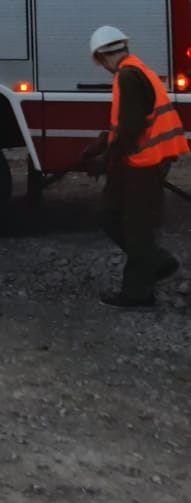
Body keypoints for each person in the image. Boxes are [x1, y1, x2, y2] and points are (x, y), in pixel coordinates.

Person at [82, 26, 186, 308]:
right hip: (139, 162)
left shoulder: (128, 76)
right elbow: (128, 122)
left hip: (144, 163)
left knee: (136, 228)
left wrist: (105, 160)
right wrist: (102, 144)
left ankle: (138, 293)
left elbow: (131, 127)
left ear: (100, 58)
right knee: (109, 215)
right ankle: (158, 262)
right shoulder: (134, 70)